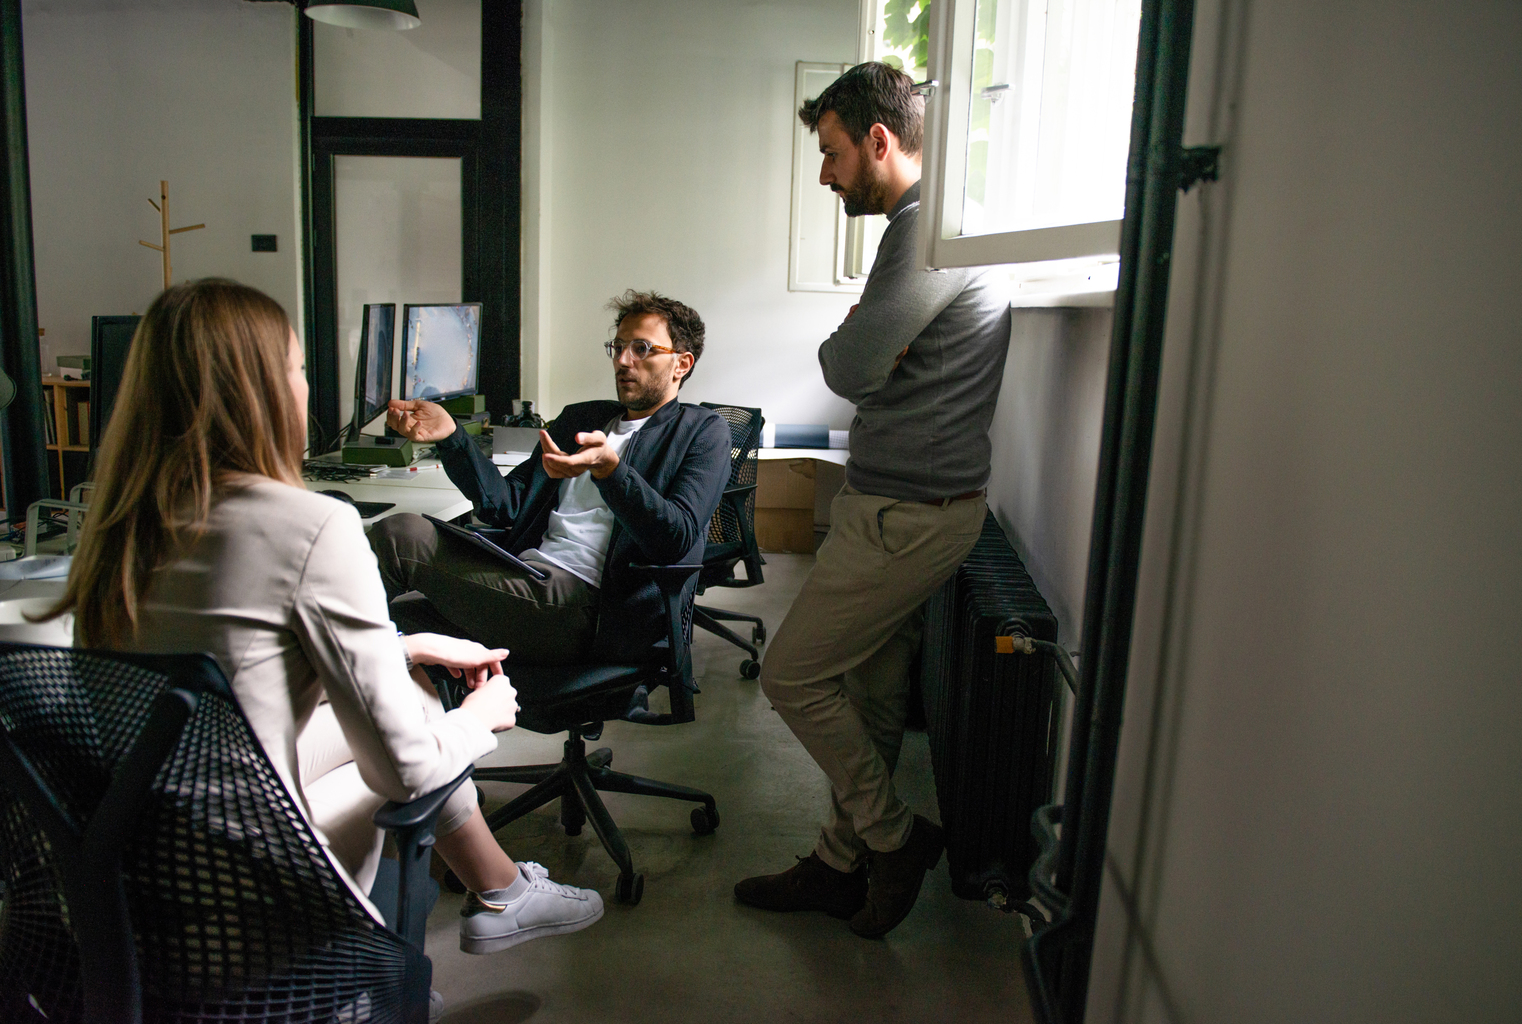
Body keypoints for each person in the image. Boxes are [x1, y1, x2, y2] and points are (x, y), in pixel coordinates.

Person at [43, 279, 603, 959]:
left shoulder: (117, 525)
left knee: (408, 690)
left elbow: (234, 666)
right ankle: (446, 920)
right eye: (299, 368)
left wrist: (408, 646)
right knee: (425, 724)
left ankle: (502, 891)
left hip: (128, 860)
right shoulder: (311, 526)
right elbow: (404, 774)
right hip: (236, 888)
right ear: (263, 393)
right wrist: (477, 720)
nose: (306, 387)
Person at [734, 62, 1012, 939]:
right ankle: (837, 864)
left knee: (791, 674)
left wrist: (860, 340)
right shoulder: (926, 226)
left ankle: (895, 839)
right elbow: (867, 361)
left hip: (907, 516)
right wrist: (866, 342)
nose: (825, 175)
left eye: (831, 153)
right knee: (874, 698)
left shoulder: (930, 229)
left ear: (879, 140)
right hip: (901, 503)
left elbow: (848, 366)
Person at [369, 290, 732, 669]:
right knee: (392, 622)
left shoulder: (702, 432)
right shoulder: (583, 419)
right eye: (618, 346)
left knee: (399, 538)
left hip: (589, 608)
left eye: (641, 348)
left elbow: (675, 540)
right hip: (526, 574)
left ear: (681, 364)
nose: (623, 361)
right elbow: (504, 506)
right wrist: (452, 437)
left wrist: (611, 471)